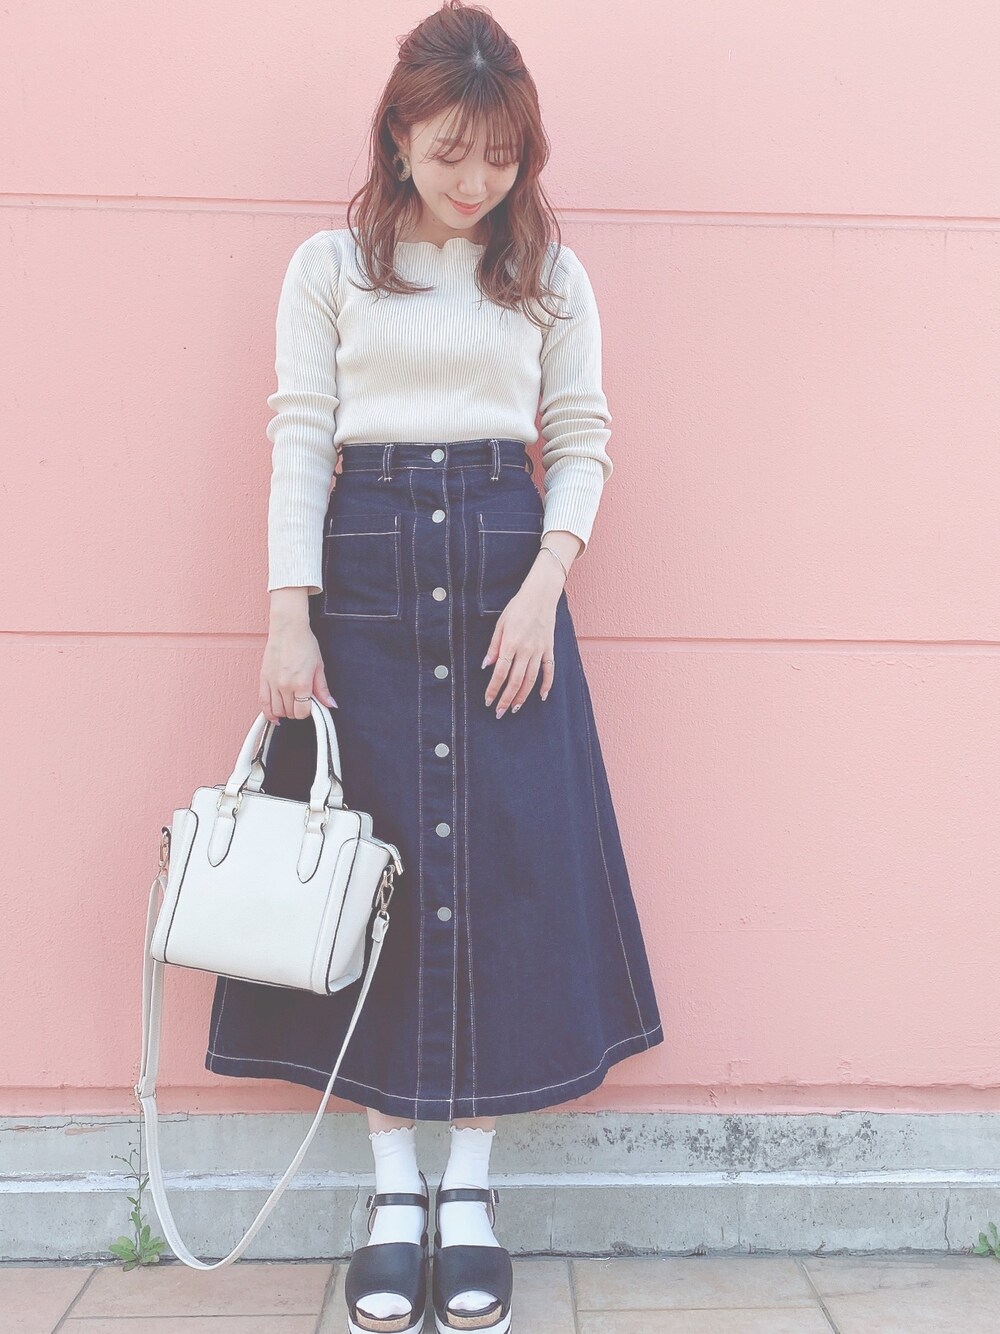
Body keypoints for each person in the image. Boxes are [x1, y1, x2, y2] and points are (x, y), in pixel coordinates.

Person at [204, 3, 664, 1330]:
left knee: (503, 872)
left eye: (503, 156)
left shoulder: (549, 276)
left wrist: (545, 585)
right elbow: (303, 433)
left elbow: (581, 436)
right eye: (453, 151)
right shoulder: (329, 270)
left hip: (507, 573)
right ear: (399, 136)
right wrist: (288, 614)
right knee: (377, 875)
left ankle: (470, 1190)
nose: (478, 180)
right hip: (365, 577)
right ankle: (391, 1194)